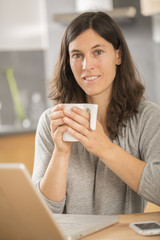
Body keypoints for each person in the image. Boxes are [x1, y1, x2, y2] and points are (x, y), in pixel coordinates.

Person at [32, 11, 160, 215]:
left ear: (118, 55)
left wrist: (104, 148)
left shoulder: (147, 117)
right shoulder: (51, 121)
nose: (86, 66)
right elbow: (42, 212)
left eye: (98, 52)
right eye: (77, 55)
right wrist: (61, 152)